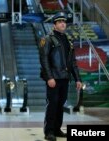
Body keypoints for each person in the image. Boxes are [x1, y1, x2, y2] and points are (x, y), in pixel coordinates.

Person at [39, 11, 82, 141]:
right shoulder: (47, 39)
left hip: (65, 78)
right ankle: (49, 131)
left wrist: (78, 79)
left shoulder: (67, 40)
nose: (63, 24)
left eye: (64, 22)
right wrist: (49, 77)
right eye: (60, 22)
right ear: (54, 25)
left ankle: (57, 129)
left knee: (60, 105)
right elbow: (44, 59)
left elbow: (73, 61)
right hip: (54, 78)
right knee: (52, 104)